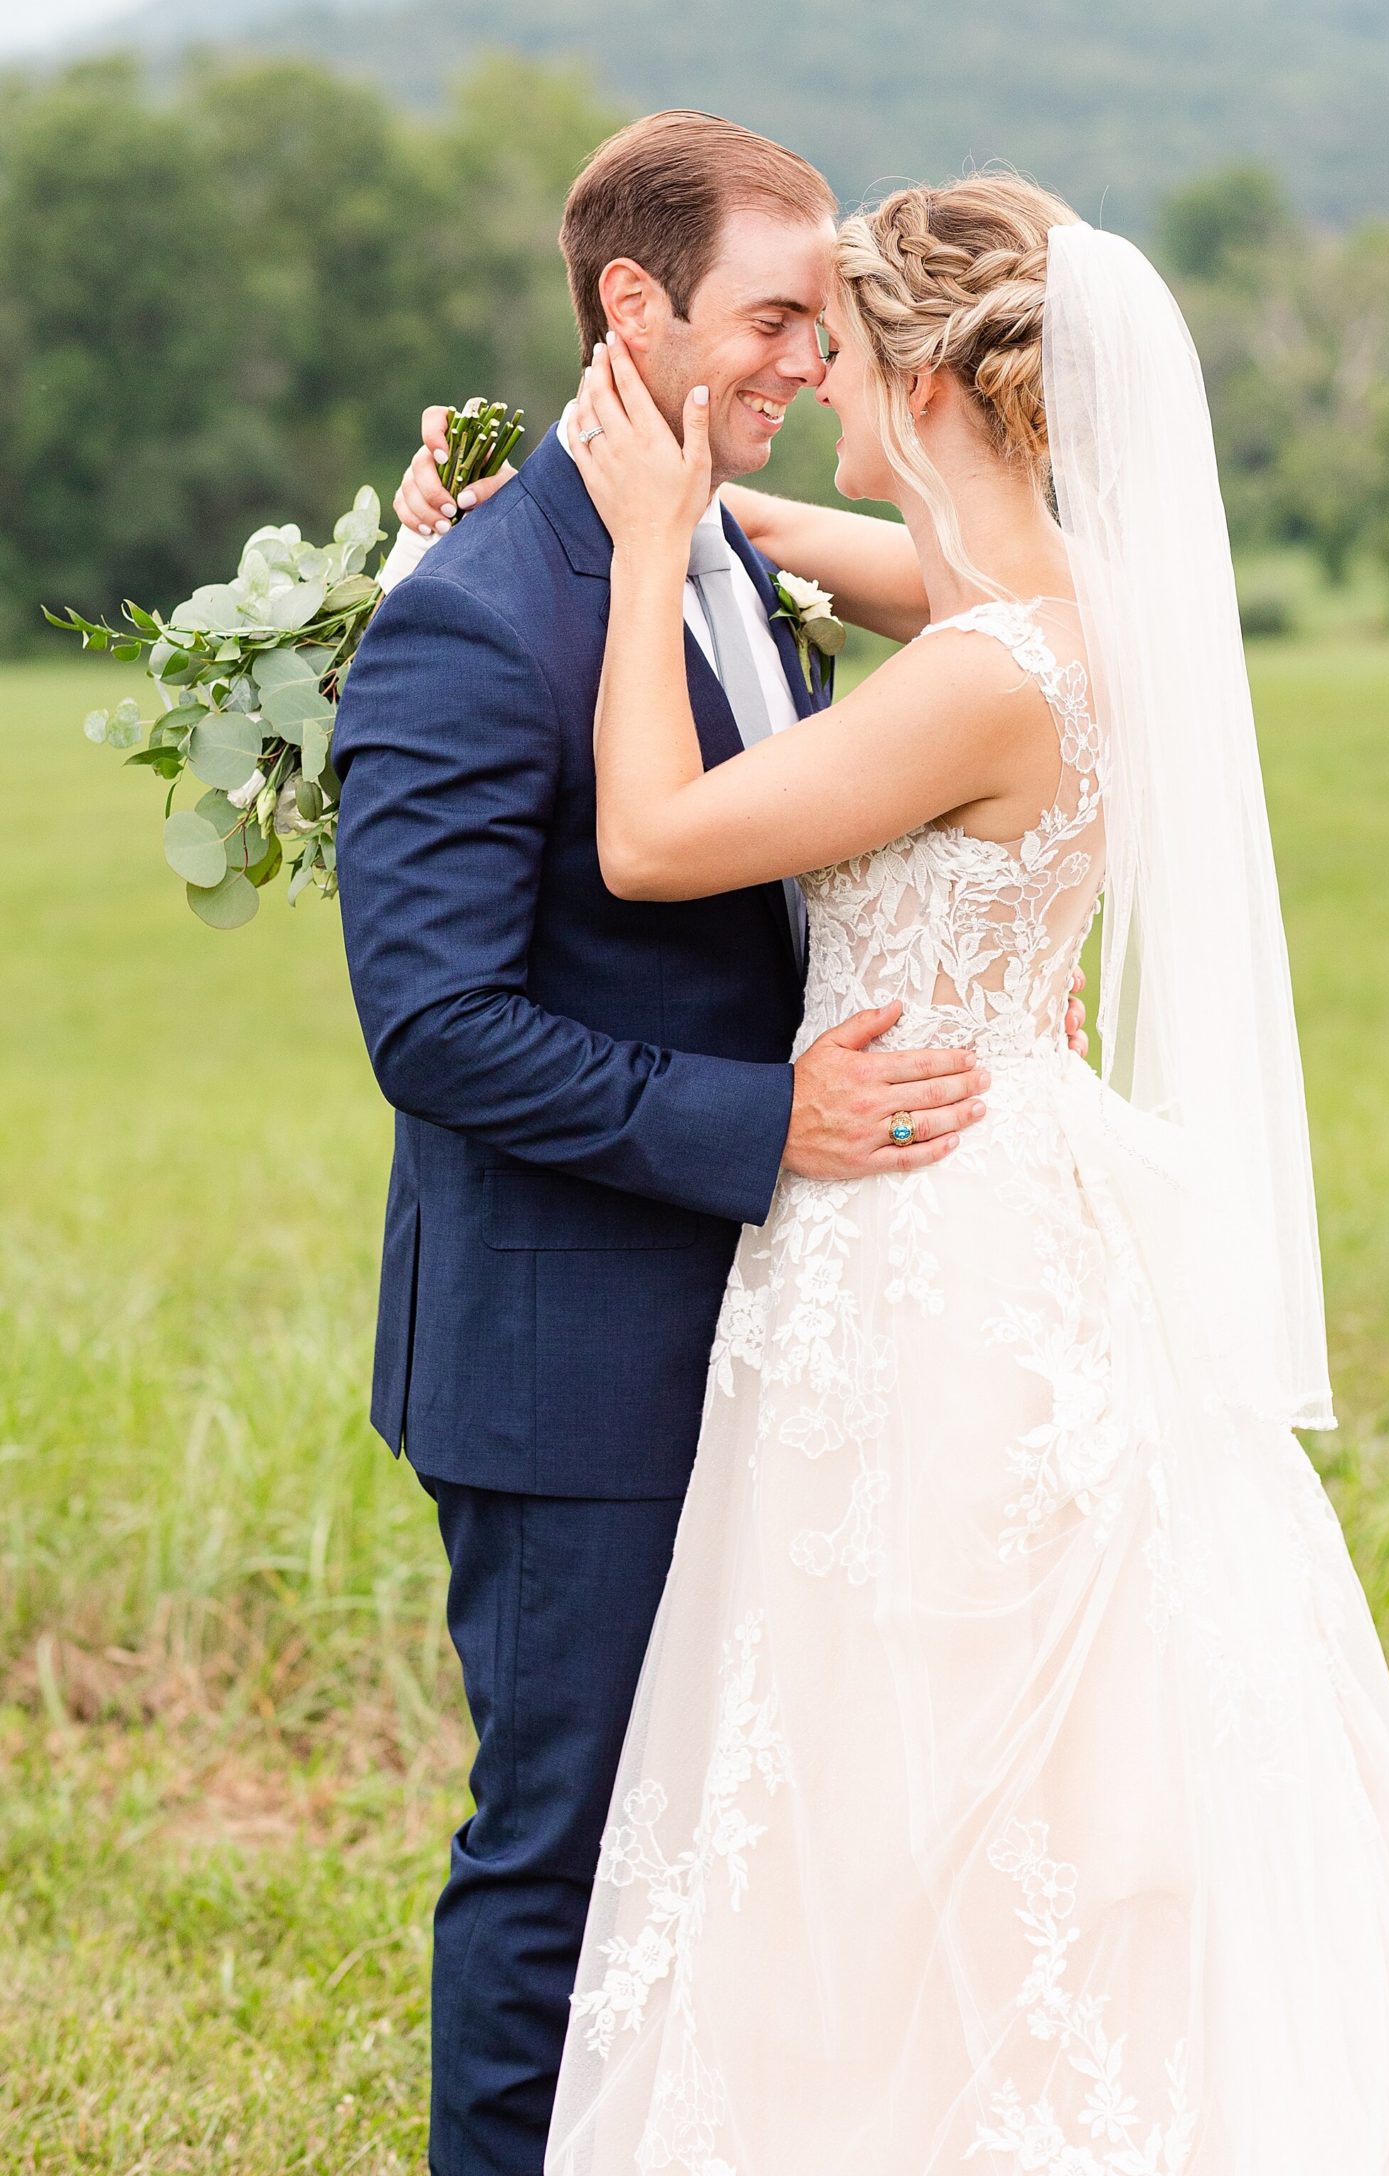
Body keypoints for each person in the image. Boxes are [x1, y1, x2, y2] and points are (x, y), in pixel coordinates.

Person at [411, 173, 1389, 2172]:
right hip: (1001, 1199)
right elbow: (838, 546)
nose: (810, 390)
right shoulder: (1060, 595)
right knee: (1008, 1736)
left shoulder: (984, 677)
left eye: (837, 354)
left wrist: (641, 561)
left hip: (924, 1232)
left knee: (920, 1750)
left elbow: (647, 834)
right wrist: (602, 494)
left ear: (924, 377)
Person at [333, 114, 1089, 2176]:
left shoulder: (730, 548)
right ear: (630, 306)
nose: (804, 363)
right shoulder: (480, 612)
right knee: (570, 1855)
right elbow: (434, 1020)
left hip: (808, 1329)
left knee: (757, 1845)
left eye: (833, 331)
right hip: (574, 1353)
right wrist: (771, 1118)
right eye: (772, 320)